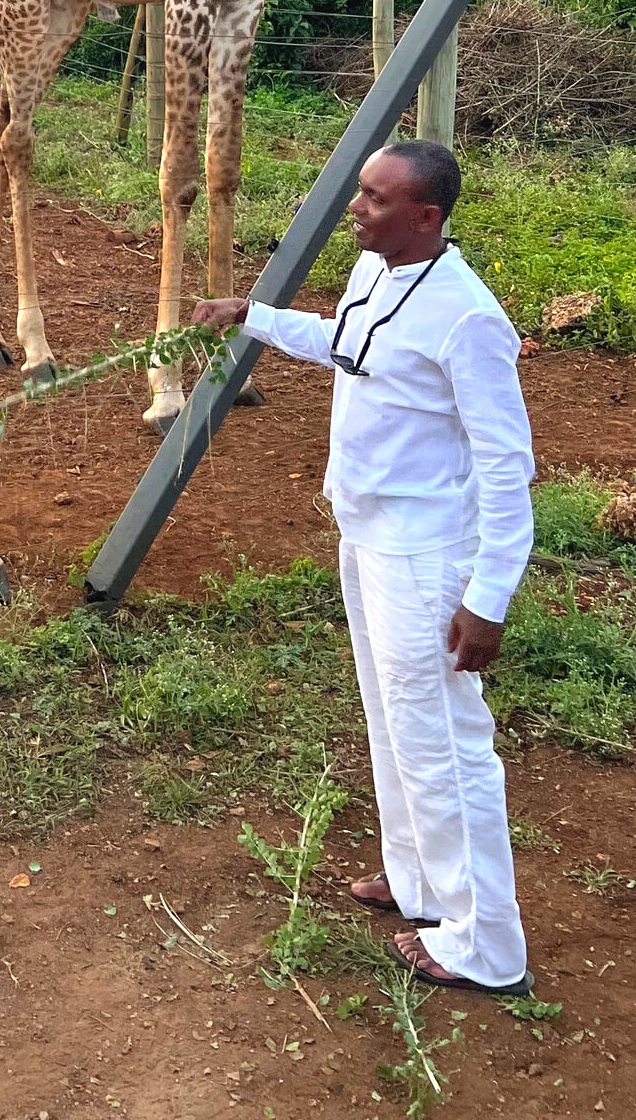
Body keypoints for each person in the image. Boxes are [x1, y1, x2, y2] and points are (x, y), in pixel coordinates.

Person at [190, 138, 535, 995]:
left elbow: (506, 468)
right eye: (359, 192)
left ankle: (485, 945)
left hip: (427, 557)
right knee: (395, 726)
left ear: (426, 216)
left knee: (447, 747)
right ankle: (419, 884)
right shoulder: (376, 273)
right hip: (368, 536)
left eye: (376, 200)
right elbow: (348, 345)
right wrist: (252, 314)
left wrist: (486, 598)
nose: (356, 208)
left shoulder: (467, 318)